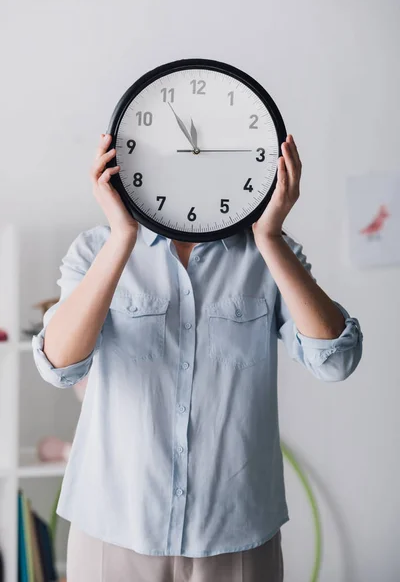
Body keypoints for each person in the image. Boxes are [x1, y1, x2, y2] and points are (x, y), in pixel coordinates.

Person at [32, 132, 363, 582]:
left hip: (237, 531)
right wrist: (122, 236)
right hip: (113, 526)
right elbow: (59, 365)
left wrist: (269, 237)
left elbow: (335, 359)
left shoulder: (269, 252)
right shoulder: (94, 249)